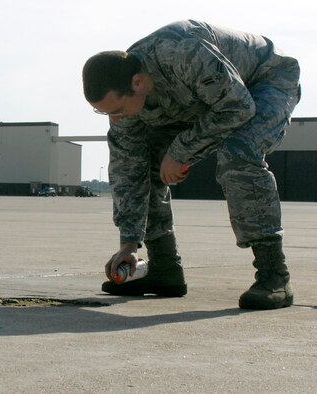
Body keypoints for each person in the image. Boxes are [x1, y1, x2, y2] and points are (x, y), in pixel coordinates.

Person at [82, 20, 301, 310]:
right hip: (202, 100)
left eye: (119, 110)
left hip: (264, 81)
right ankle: (164, 269)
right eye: (106, 113)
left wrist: (181, 150)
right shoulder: (125, 102)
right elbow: (128, 170)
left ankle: (275, 277)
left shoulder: (182, 52)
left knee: (239, 153)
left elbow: (238, 107)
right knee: (146, 163)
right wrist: (129, 243)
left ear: (137, 83)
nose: (117, 119)